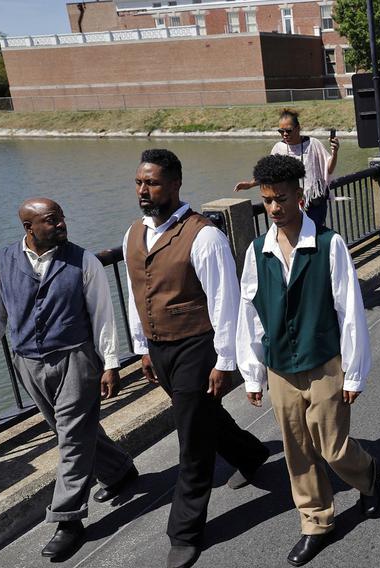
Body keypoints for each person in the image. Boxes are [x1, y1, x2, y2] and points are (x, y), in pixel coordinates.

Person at [125, 149, 270, 568]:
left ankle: (185, 531)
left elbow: (225, 303)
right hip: (160, 348)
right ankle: (250, 454)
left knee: (190, 440)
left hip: (196, 348)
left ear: (174, 184)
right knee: (203, 417)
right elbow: (138, 294)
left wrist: (225, 361)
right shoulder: (133, 233)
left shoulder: (204, 235)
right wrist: (142, 348)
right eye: (139, 182)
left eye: (151, 183)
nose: (143, 190)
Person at [236, 155, 380, 567]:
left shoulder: (329, 244)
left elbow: (349, 310)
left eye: (281, 198)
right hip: (280, 366)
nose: (274, 208)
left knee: (332, 447)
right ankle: (316, 521)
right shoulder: (257, 251)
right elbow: (249, 311)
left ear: (300, 196)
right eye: (267, 201)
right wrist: (252, 372)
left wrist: (354, 372)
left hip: (324, 361)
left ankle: (368, 473)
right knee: (297, 448)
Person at [0, 199, 137, 560]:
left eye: (61, 219)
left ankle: (68, 519)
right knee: (68, 429)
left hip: (76, 357)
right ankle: (119, 472)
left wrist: (111, 363)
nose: (62, 225)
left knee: (71, 436)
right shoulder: (0, 264)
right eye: (51, 221)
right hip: (28, 362)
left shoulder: (84, 261)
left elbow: (102, 315)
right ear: (29, 228)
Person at [234, 109, 338, 227]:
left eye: (288, 131)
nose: (285, 134)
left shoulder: (313, 143)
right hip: (290, 204)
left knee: (315, 235)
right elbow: (269, 173)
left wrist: (335, 153)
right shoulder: (279, 148)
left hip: (314, 203)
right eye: (281, 131)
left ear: (298, 128)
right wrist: (250, 184)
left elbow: (328, 169)